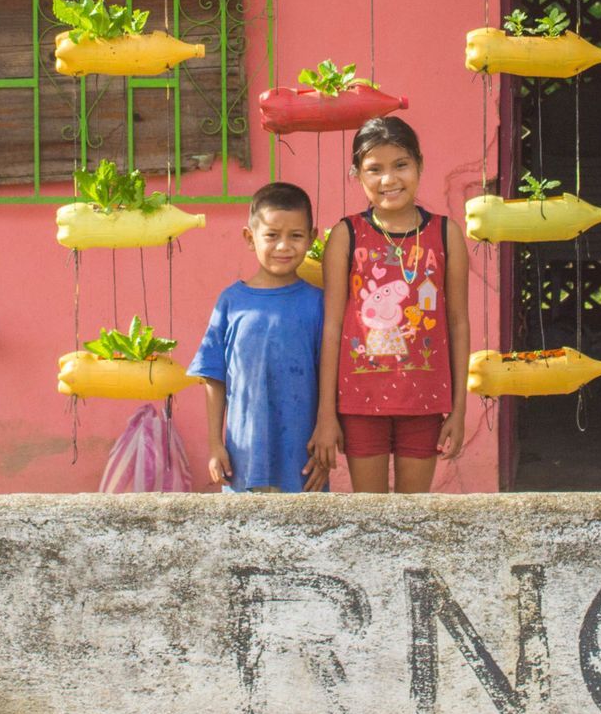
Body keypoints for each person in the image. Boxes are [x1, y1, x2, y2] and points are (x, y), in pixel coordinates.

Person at [307, 117, 470, 493]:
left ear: (420, 165)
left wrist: (459, 410)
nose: (388, 179)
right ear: (357, 175)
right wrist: (326, 414)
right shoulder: (346, 235)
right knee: (371, 517)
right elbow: (332, 327)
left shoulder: (447, 234)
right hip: (360, 404)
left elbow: (459, 324)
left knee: (413, 517)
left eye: (400, 165)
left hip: (425, 402)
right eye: (374, 169)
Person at [190, 182, 330, 494]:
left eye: (295, 236)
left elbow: (330, 375)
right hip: (242, 460)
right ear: (249, 238)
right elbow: (213, 377)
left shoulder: (318, 304)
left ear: (312, 238)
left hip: (303, 460)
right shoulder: (231, 302)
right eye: (271, 235)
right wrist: (215, 445)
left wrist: (326, 435)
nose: (284, 246)